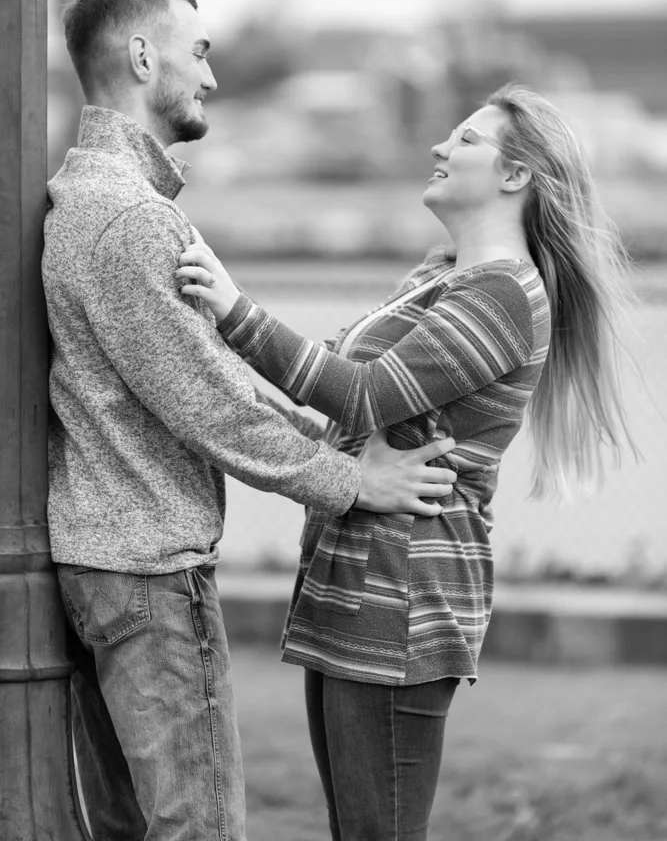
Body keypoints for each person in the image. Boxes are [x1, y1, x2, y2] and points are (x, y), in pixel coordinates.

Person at [41, 0, 457, 841]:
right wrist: (349, 478)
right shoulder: (127, 219)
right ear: (142, 55)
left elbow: (196, 389)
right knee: (199, 827)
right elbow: (209, 403)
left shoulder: (91, 201)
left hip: (104, 562)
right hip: (148, 571)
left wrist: (334, 444)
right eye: (198, 50)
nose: (212, 76)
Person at [177, 84, 636, 841]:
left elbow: (360, 395)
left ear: (515, 175)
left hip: (403, 606)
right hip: (346, 586)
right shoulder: (439, 275)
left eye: (463, 140)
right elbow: (336, 403)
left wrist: (232, 309)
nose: (438, 148)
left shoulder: (501, 297)